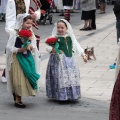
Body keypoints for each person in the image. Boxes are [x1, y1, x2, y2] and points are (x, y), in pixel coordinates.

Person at [46, 19, 87, 101]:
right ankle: (61, 95)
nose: (60, 29)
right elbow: (48, 46)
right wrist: (52, 49)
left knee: (70, 76)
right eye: (58, 27)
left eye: (62, 27)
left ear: (66, 28)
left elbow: (76, 45)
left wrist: (83, 54)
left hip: (70, 60)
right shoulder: (55, 37)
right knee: (60, 76)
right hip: (59, 60)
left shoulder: (70, 37)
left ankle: (71, 94)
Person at [6, 13, 41, 108]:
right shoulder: (14, 33)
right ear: (21, 23)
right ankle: (18, 99)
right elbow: (9, 47)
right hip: (17, 58)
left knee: (26, 76)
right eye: (27, 23)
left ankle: (20, 94)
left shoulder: (31, 33)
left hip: (27, 57)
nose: (29, 25)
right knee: (19, 78)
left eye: (31, 23)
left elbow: (33, 44)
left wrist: (31, 47)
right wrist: (19, 50)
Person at [1, 0, 41, 83]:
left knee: (28, 52)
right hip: (16, 30)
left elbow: (38, 9)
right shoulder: (12, 1)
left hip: (28, 27)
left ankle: (27, 73)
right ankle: (7, 73)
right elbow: (10, 17)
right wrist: (12, 33)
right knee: (14, 53)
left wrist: (36, 14)